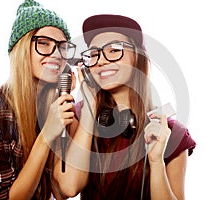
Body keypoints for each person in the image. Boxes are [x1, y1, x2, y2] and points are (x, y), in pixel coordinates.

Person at [53, 14, 196, 200]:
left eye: (114, 50)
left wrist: (156, 161)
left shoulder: (172, 132)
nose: (102, 61)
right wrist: (89, 109)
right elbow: (68, 188)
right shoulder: (77, 117)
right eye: (94, 54)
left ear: (138, 57)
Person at [0, 0, 78, 199]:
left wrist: (67, 97)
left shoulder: (56, 109)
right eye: (43, 43)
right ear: (22, 49)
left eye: (62, 47)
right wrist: (45, 136)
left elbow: (63, 191)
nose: (56, 55)